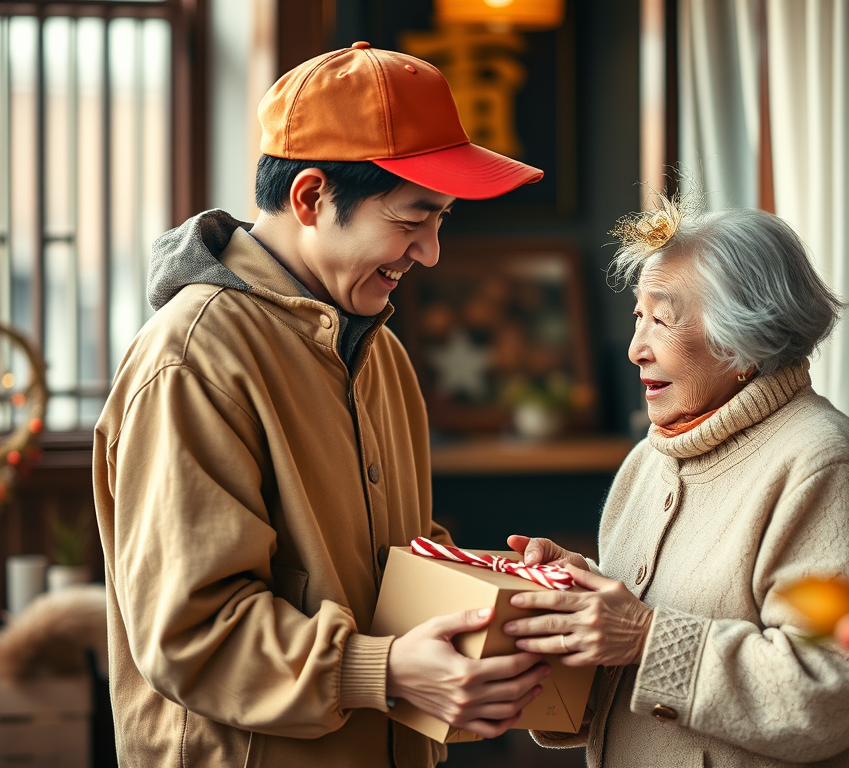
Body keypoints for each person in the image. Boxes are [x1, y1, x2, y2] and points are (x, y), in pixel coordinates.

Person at [93, 43, 552, 767]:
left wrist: (512, 590)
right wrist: (384, 670)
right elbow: (189, 633)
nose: (431, 252)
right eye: (412, 219)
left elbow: (385, 565)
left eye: (442, 221)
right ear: (310, 198)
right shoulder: (195, 357)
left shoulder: (380, 351)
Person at [503, 192, 849, 766]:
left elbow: (833, 689)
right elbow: (638, 641)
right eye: (637, 317)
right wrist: (576, 599)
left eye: (662, 320)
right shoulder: (650, 459)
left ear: (744, 341)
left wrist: (644, 638)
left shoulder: (823, 465)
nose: (635, 349)